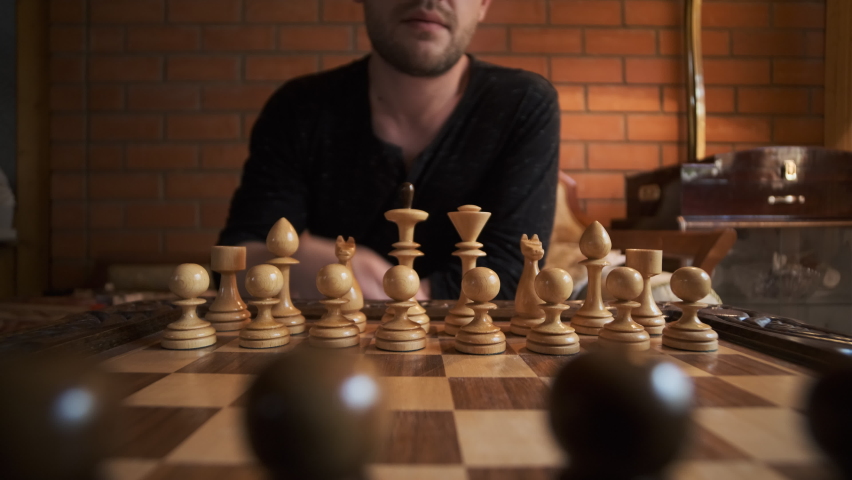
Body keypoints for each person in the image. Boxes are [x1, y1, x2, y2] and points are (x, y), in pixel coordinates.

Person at [218, 0, 560, 300]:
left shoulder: (524, 105)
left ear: (484, 3)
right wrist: (307, 265)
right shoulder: (298, 108)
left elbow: (514, 272)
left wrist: (400, 296)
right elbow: (234, 260)